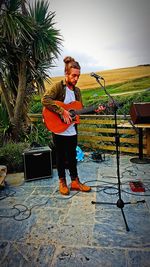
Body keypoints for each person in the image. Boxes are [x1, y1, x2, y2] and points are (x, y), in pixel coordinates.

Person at [42, 56, 105, 195]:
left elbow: (79, 110)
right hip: (58, 128)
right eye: (74, 75)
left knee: (72, 156)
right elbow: (45, 99)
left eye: (78, 76)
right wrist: (61, 110)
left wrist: (95, 110)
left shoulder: (77, 91)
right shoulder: (58, 87)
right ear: (66, 74)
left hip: (71, 129)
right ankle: (62, 182)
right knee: (60, 156)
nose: (76, 78)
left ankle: (75, 181)